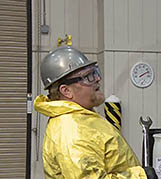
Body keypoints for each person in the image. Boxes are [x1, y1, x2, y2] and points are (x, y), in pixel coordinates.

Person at [34, 46, 147, 179]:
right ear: (66, 91)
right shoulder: (71, 130)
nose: (97, 79)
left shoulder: (80, 119)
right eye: (88, 76)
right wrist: (140, 176)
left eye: (95, 72)